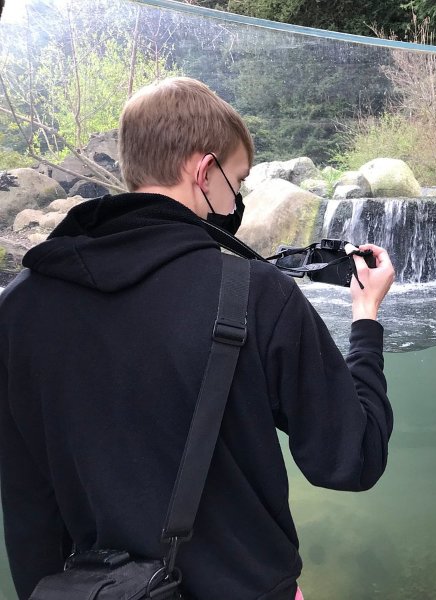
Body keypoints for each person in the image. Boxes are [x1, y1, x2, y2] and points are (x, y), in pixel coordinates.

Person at [0, 76, 395, 600]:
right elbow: (352, 458)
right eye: (237, 180)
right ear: (204, 170)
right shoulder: (255, 294)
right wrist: (365, 320)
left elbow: (28, 502)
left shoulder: (19, 306)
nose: (236, 200)